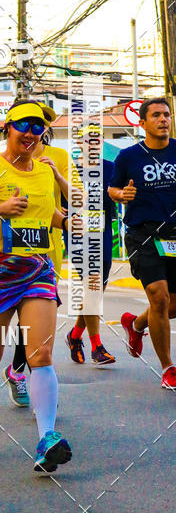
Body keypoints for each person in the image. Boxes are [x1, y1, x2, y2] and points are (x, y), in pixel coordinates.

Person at [0, 101, 76, 475]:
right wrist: (0, 207)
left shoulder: (45, 172)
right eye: (23, 125)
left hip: (37, 270)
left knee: (41, 355)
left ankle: (47, 438)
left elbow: (53, 217)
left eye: (38, 127)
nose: (30, 132)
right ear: (7, 128)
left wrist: (65, 203)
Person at [108, 97, 176, 389]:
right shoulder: (129, 156)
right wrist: (120, 195)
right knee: (159, 297)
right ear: (143, 122)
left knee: (172, 305)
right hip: (142, 234)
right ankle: (168, 368)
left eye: (167, 115)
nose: (163, 120)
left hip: (174, 234)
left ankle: (136, 324)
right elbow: (113, 187)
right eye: (157, 115)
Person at [65, 147, 116, 365]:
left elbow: (119, 193)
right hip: (77, 233)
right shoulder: (69, 170)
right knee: (92, 286)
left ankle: (75, 336)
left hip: (102, 231)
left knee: (95, 290)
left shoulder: (111, 167)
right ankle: (97, 347)